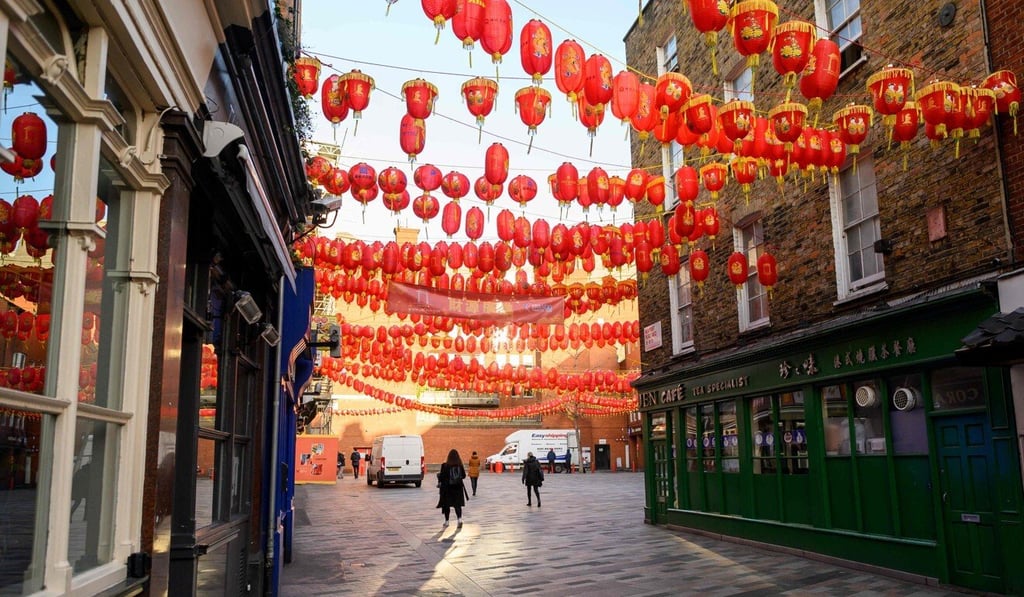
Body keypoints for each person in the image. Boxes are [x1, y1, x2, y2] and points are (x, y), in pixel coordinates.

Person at [436, 449, 467, 527]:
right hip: (458, 488)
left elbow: (442, 477)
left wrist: (439, 476)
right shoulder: (460, 465)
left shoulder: (445, 465)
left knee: (446, 505)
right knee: (457, 505)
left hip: (447, 489)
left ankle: (447, 521)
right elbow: (463, 476)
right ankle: (459, 519)